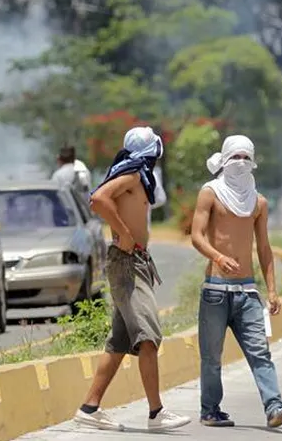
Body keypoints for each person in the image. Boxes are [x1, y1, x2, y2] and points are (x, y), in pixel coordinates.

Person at [74, 126, 190, 433]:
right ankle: (156, 413)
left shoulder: (138, 175)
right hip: (128, 263)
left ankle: (89, 408)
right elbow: (98, 199)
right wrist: (124, 233)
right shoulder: (133, 174)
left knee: (119, 342)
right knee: (148, 336)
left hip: (135, 261)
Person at [190, 135, 282, 429]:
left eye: (246, 157)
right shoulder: (210, 193)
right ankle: (210, 410)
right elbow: (196, 235)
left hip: (247, 291)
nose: (240, 163)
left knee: (260, 351)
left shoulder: (258, 202)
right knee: (212, 357)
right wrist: (218, 256)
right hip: (216, 289)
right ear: (224, 159)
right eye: (235, 157)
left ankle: (274, 406)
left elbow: (264, 248)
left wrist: (272, 290)